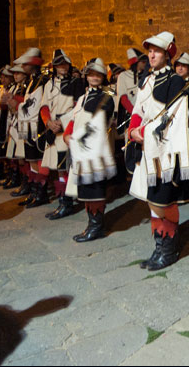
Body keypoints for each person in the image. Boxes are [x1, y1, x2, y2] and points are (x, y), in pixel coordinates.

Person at [128, 32, 189, 270]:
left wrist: (143, 131)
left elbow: (172, 118)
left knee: (163, 201)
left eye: (156, 51)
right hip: (145, 146)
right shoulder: (146, 81)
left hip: (164, 150)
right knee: (151, 201)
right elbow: (138, 109)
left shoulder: (175, 81)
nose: (151, 54)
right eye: (149, 51)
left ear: (168, 53)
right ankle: (160, 248)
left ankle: (169, 249)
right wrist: (132, 130)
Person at [63, 58, 116, 241]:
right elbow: (73, 118)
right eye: (91, 74)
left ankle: (97, 227)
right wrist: (67, 134)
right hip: (81, 149)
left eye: (98, 74)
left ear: (103, 77)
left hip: (94, 150)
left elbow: (98, 121)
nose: (94, 77)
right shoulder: (82, 97)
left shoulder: (106, 97)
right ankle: (91, 224)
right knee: (85, 190)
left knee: (95, 189)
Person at [39, 50, 85, 218]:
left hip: (65, 128)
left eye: (65, 64)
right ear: (54, 67)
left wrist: (62, 122)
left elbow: (78, 106)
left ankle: (68, 203)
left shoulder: (76, 82)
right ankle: (62, 202)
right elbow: (44, 106)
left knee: (65, 168)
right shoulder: (48, 84)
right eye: (59, 64)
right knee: (58, 170)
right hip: (52, 128)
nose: (62, 67)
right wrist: (48, 122)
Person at [11, 48, 48, 204]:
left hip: (37, 125)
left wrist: (17, 104)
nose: (23, 67)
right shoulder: (32, 81)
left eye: (25, 64)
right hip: (27, 125)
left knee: (39, 160)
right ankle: (34, 191)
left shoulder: (44, 80)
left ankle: (41, 192)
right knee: (31, 160)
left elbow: (38, 105)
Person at [0, 64, 27, 189]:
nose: (15, 75)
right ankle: (15, 178)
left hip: (24, 124)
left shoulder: (27, 87)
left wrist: (14, 101)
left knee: (24, 157)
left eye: (18, 73)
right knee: (14, 154)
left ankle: (26, 184)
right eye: (14, 73)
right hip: (14, 123)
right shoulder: (15, 88)